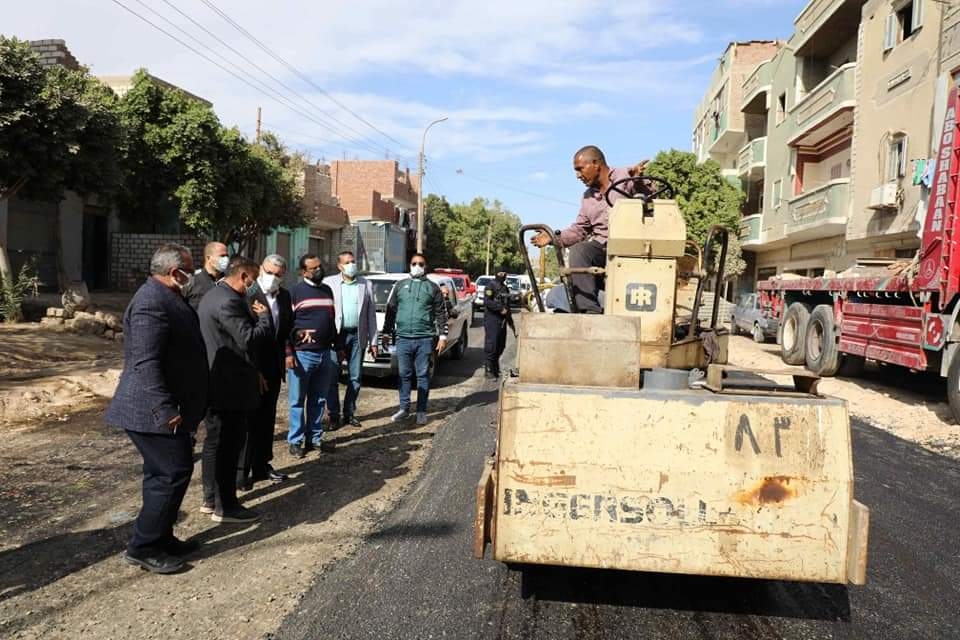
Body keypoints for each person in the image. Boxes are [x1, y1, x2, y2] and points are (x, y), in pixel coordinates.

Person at [105, 243, 208, 574]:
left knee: (163, 473)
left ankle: (161, 536)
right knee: (172, 472)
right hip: (150, 410)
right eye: (189, 270)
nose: (192, 276)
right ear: (174, 272)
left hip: (163, 407)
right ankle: (143, 546)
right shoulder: (151, 303)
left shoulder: (168, 297)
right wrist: (165, 408)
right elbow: (144, 362)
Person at [197, 256, 272, 524]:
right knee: (228, 447)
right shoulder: (228, 301)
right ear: (243, 276)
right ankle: (225, 506)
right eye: (253, 280)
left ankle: (211, 499)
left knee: (215, 444)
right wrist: (264, 318)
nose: (255, 286)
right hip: (228, 387)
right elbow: (248, 339)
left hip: (218, 380)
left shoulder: (212, 295)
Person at [531, 146, 648, 313]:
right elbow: (579, 230)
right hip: (603, 249)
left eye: (580, 169)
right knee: (580, 250)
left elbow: (653, 199)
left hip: (634, 247)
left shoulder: (627, 176)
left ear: (596, 164)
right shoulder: (587, 197)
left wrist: (640, 181)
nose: (578, 175)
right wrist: (553, 238)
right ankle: (589, 311)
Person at [238, 254, 293, 491]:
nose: (272, 278)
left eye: (277, 275)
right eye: (269, 272)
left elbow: (285, 329)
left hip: (273, 368)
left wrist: (296, 337)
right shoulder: (247, 295)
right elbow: (243, 336)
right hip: (252, 367)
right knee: (248, 422)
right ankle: (242, 471)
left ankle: (262, 465)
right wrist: (254, 369)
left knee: (267, 419)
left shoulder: (284, 296)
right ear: (261, 269)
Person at [381, 253, 449, 426]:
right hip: (403, 338)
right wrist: (387, 332)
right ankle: (404, 409)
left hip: (424, 338)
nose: (417, 266)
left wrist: (443, 335)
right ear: (409, 265)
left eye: (421, 263)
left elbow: (441, 313)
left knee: (423, 376)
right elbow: (391, 310)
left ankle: (421, 411)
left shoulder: (432, 287)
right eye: (414, 263)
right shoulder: (400, 285)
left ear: (425, 266)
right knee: (404, 374)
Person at [287, 254, 341, 458]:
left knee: (319, 399)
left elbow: (331, 319)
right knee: (297, 400)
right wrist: (289, 352)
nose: (319, 270)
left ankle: (315, 438)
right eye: (313, 268)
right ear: (303, 272)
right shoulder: (294, 292)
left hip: (325, 353)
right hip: (302, 355)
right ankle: (295, 440)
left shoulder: (327, 290)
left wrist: (338, 345)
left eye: (320, 266)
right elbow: (286, 326)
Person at [322, 251, 378, 429]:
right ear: (339, 266)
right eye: (347, 262)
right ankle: (333, 415)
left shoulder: (365, 284)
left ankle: (349, 412)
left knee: (355, 377)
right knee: (332, 376)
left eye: (353, 261)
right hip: (335, 336)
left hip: (357, 335)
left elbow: (371, 315)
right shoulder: (328, 283)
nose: (351, 265)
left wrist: (374, 341)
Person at [483, 267, 516, 379]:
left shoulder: (505, 288)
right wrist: (499, 308)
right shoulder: (490, 286)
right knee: (492, 345)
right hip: (492, 319)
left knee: (501, 345)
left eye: (504, 272)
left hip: (502, 320)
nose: (502, 275)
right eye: (500, 272)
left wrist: (511, 323)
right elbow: (487, 301)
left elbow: (507, 307)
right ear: (496, 273)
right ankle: (488, 370)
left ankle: (495, 368)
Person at [184, 241, 229, 310]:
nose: (226, 259)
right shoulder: (193, 280)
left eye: (227, 256)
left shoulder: (229, 280)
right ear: (208, 258)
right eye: (222, 256)